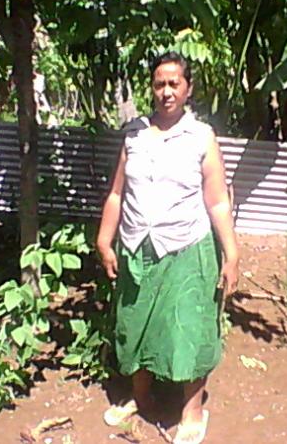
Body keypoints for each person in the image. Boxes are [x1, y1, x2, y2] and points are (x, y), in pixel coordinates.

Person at [96, 52, 239, 444]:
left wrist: (232, 254)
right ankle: (141, 399)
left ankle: (192, 411)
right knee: (134, 324)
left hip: (186, 248)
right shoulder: (135, 135)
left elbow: (217, 202)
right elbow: (116, 194)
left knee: (187, 328)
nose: (166, 91)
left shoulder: (201, 137)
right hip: (136, 247)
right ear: (152, 88)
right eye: (159, 84)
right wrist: (104, 240)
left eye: (174, 83)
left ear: (188, 88)